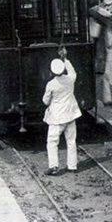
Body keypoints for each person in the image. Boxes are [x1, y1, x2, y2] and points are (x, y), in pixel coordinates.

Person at [42, 47, 82, 176]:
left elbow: (45, 101)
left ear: (52, 71)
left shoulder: (51, 84)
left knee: (53, 141)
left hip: (57, 117)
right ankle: (72, 165)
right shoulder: (71, 79)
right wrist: (65, 58)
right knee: (71, 141)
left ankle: (54, 166)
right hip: (71, 114)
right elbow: (72, 71)